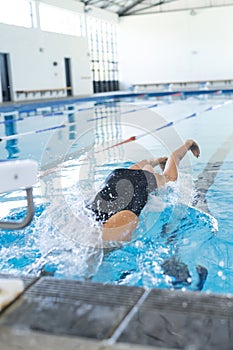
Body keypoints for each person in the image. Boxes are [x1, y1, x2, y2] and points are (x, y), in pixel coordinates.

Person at [88, 139, 200, 242]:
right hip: (121, 177)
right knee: (151, 168)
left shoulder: (123, 218)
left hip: (119, 177)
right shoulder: (114, 222)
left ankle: (188, 144)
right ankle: (159, 160)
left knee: (170, 176)